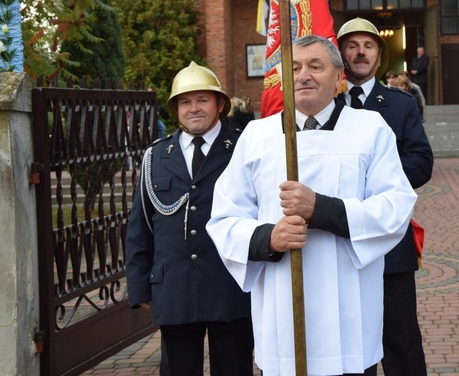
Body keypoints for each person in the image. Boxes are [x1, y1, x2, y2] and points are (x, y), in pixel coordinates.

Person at [207, 35, 417, 376]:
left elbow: (395, 206)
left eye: (315, 66)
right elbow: (224, 217)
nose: (303, 75)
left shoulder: (370, 130)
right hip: (282, 313)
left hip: (350, 310)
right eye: (294, 68)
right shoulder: (256, 136)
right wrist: (268, 238)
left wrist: (321, 209)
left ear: (338, 77)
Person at [125, 62, 254, 376]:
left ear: (219, 104)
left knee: (234, 368)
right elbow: (140, 225)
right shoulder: (156, 156)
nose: (193, 108)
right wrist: (140, 286)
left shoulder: (244, 147)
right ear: (175, 109)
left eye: (202, 100)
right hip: (175, 288)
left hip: (231, 286)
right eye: (185, 101)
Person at [337, 17, 433, 376]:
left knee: (401, 340)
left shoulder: (400, 105)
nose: (360, 52)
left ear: (379, 57)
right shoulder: (322, 106)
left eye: (369, 45)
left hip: (390, 241)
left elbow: (421, 163)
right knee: (350, 344)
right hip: (339, 242)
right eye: (352, 45)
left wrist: (370, 181)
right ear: (340, 54)